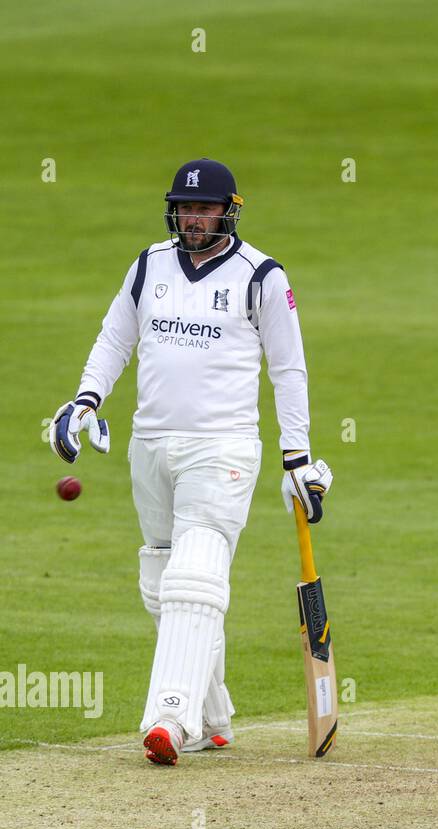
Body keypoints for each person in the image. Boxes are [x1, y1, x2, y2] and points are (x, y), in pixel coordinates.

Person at [49, 158, 333, 765]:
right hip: (149, 444)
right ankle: (211, 718)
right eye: (185, 207)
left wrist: (298, 458)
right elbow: (113, 339)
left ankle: (168, 720)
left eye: (205, 209)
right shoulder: (149, 264)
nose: (194, 217)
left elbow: (288, 368)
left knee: (195, 574)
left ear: (229, 210)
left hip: (222, 447)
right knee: (160, 578)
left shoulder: (261, 276)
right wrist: (84, 400)